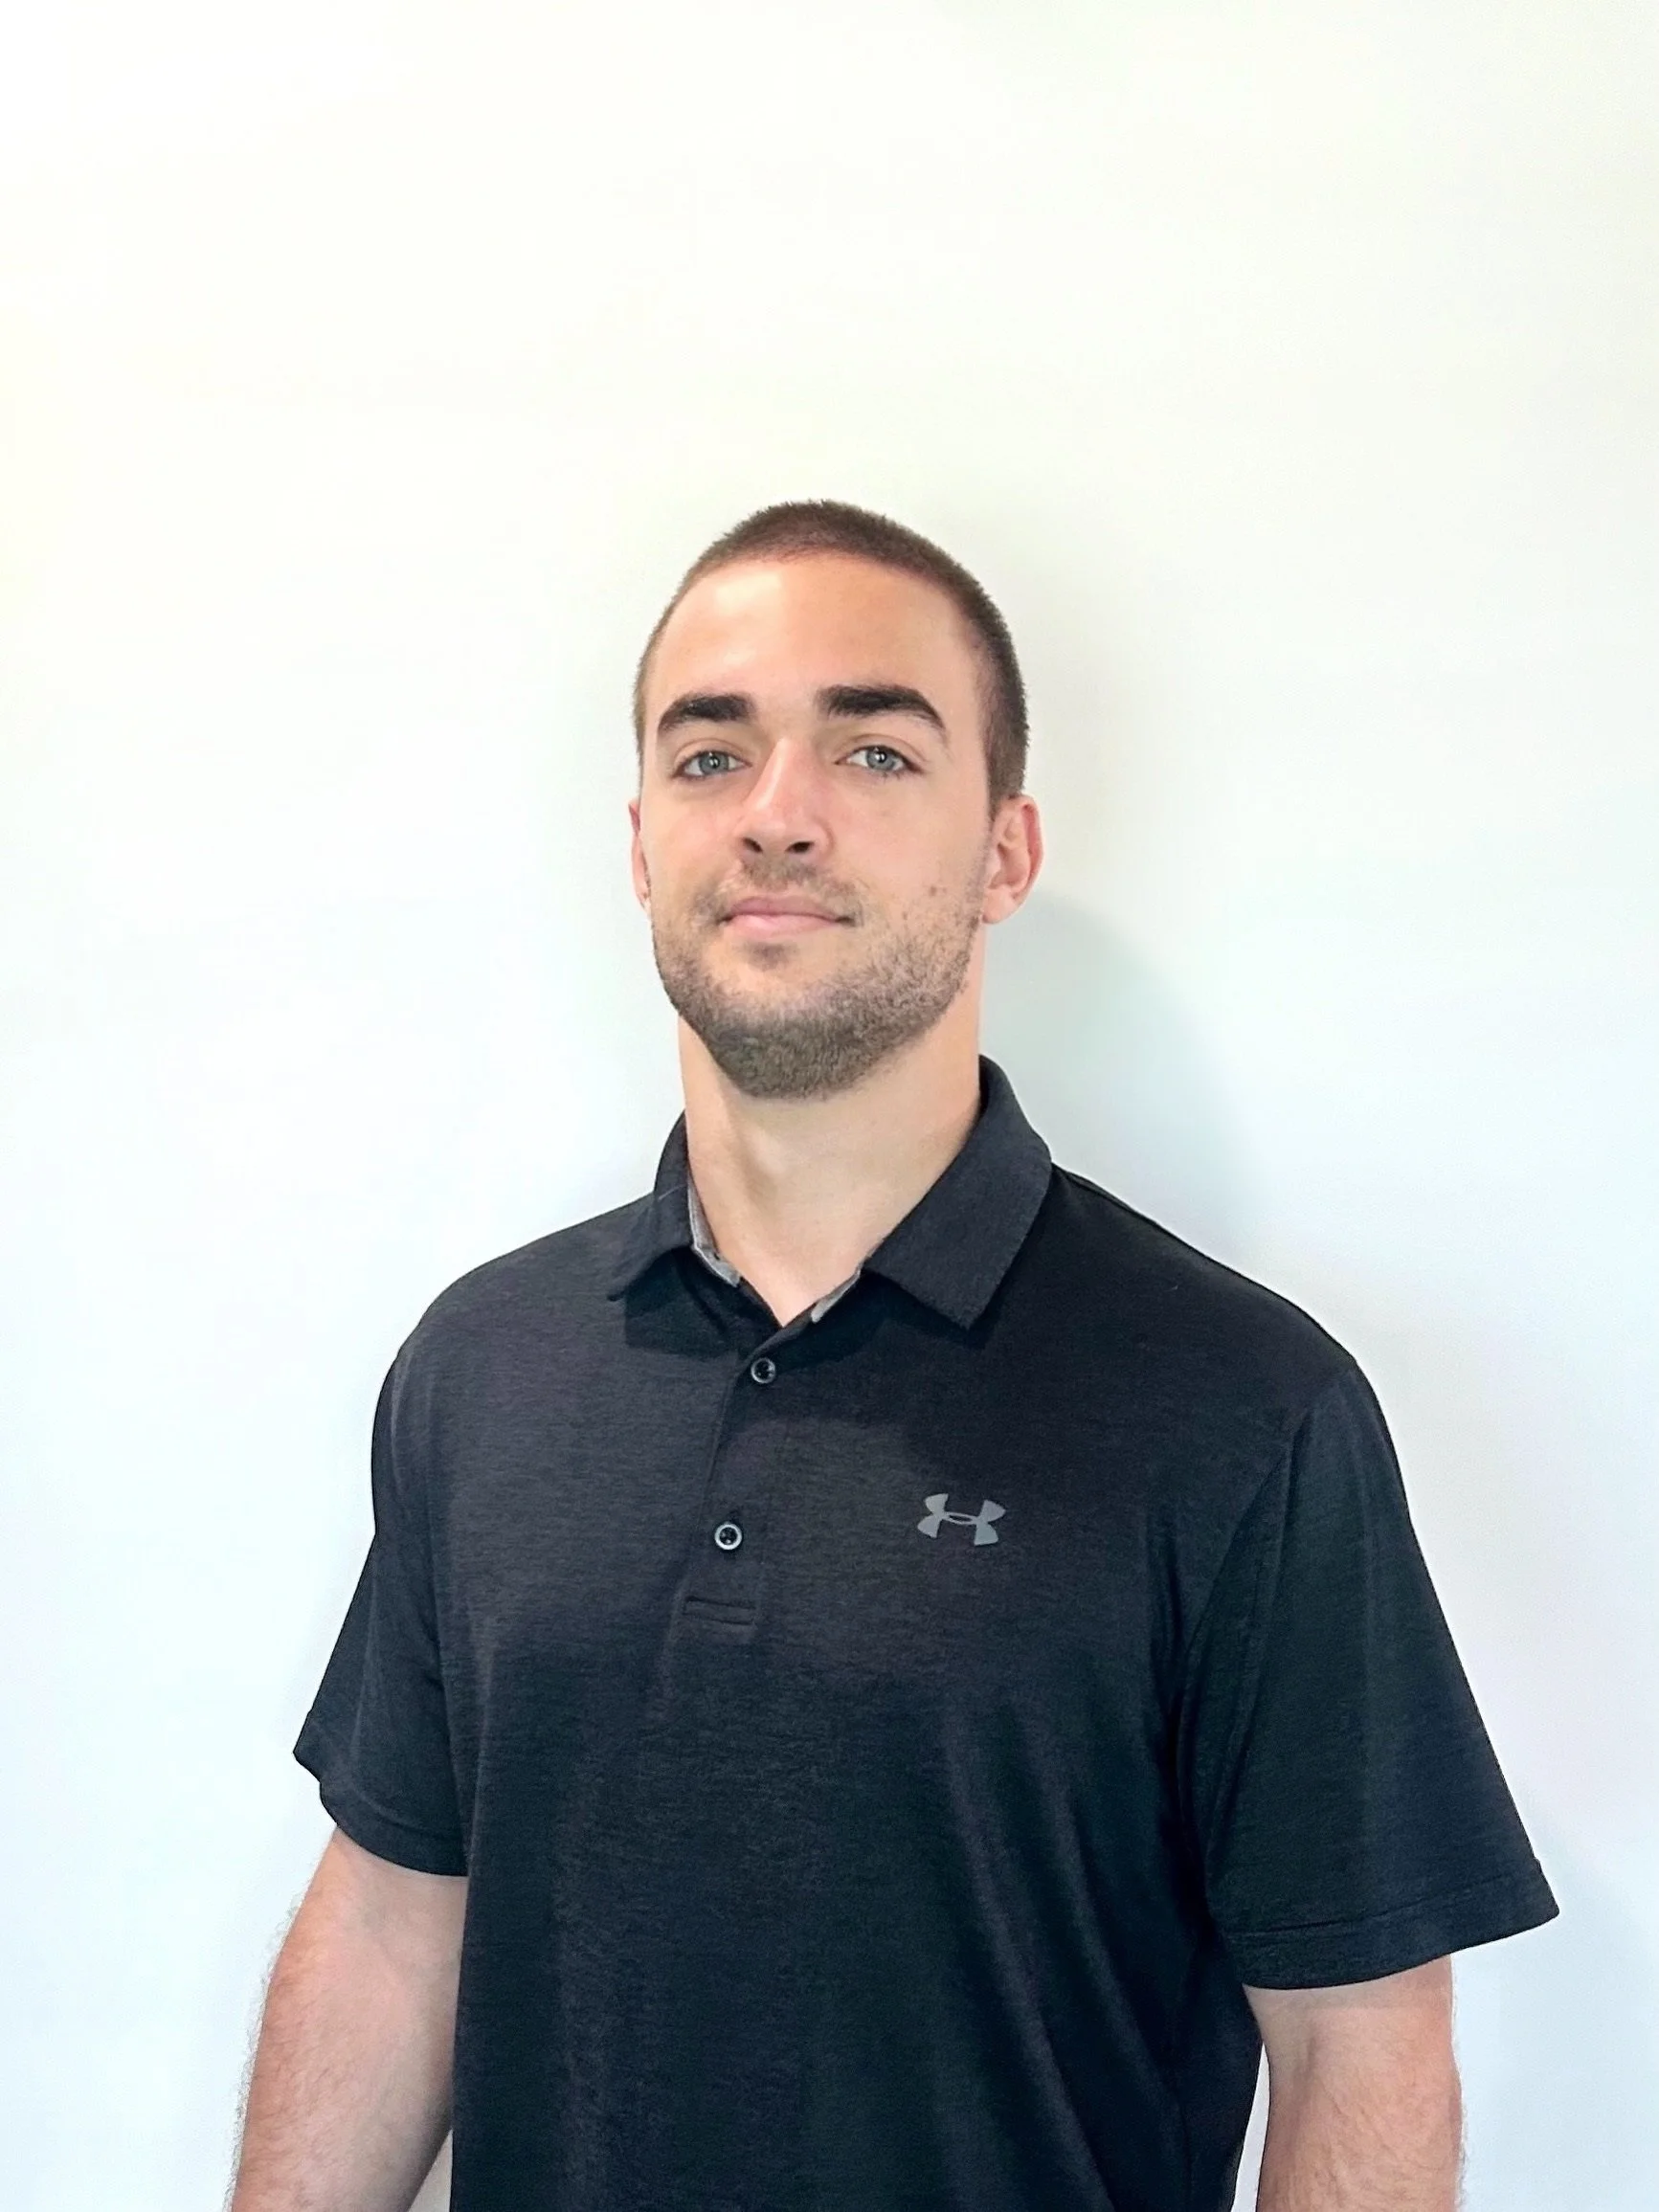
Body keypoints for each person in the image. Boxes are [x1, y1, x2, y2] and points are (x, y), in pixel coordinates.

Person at [230, 501, 1558, 2212]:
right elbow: (396, 1921)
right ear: (642, 846)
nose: (778, 813)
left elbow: (1357, 2043)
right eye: (711, 755)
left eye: (872, 749)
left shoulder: (1241, 1408)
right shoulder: (482, 1370)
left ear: (1005, 851)